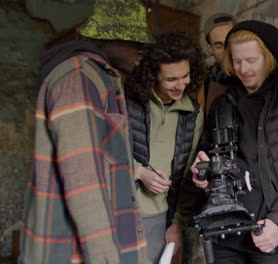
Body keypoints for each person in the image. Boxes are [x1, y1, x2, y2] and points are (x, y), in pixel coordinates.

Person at [18, 0, 154, 263]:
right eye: (134, 40)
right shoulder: (79, 77)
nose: (142, 49)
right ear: (106, 38)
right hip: (72, 252)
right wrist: (105, 257)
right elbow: (83, 177)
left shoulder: (98, 77)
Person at [191, 20, 278, 263]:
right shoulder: (222, 105)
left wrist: (277, 221)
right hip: (226, 233)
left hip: (274, 233)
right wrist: (201, 168)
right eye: (237, 60)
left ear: (269, 59)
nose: (243, 68)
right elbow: (206, 152)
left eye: (251, 60)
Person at [124, 31, 207, 263]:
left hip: (159, 218)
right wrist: (139, 172)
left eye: (186, 76)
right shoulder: (126, 102)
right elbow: (100, 153)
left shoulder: (193, 115)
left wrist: (178, 223)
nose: (180, 85)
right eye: (171, 79)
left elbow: (191, 177)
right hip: (118, 212)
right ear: (152, 76)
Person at [202, 12, 237, 116]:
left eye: (231, 43)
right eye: (219, 46)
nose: (227, 51)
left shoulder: (256, 80)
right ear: (210, 48)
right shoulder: (203, 83)